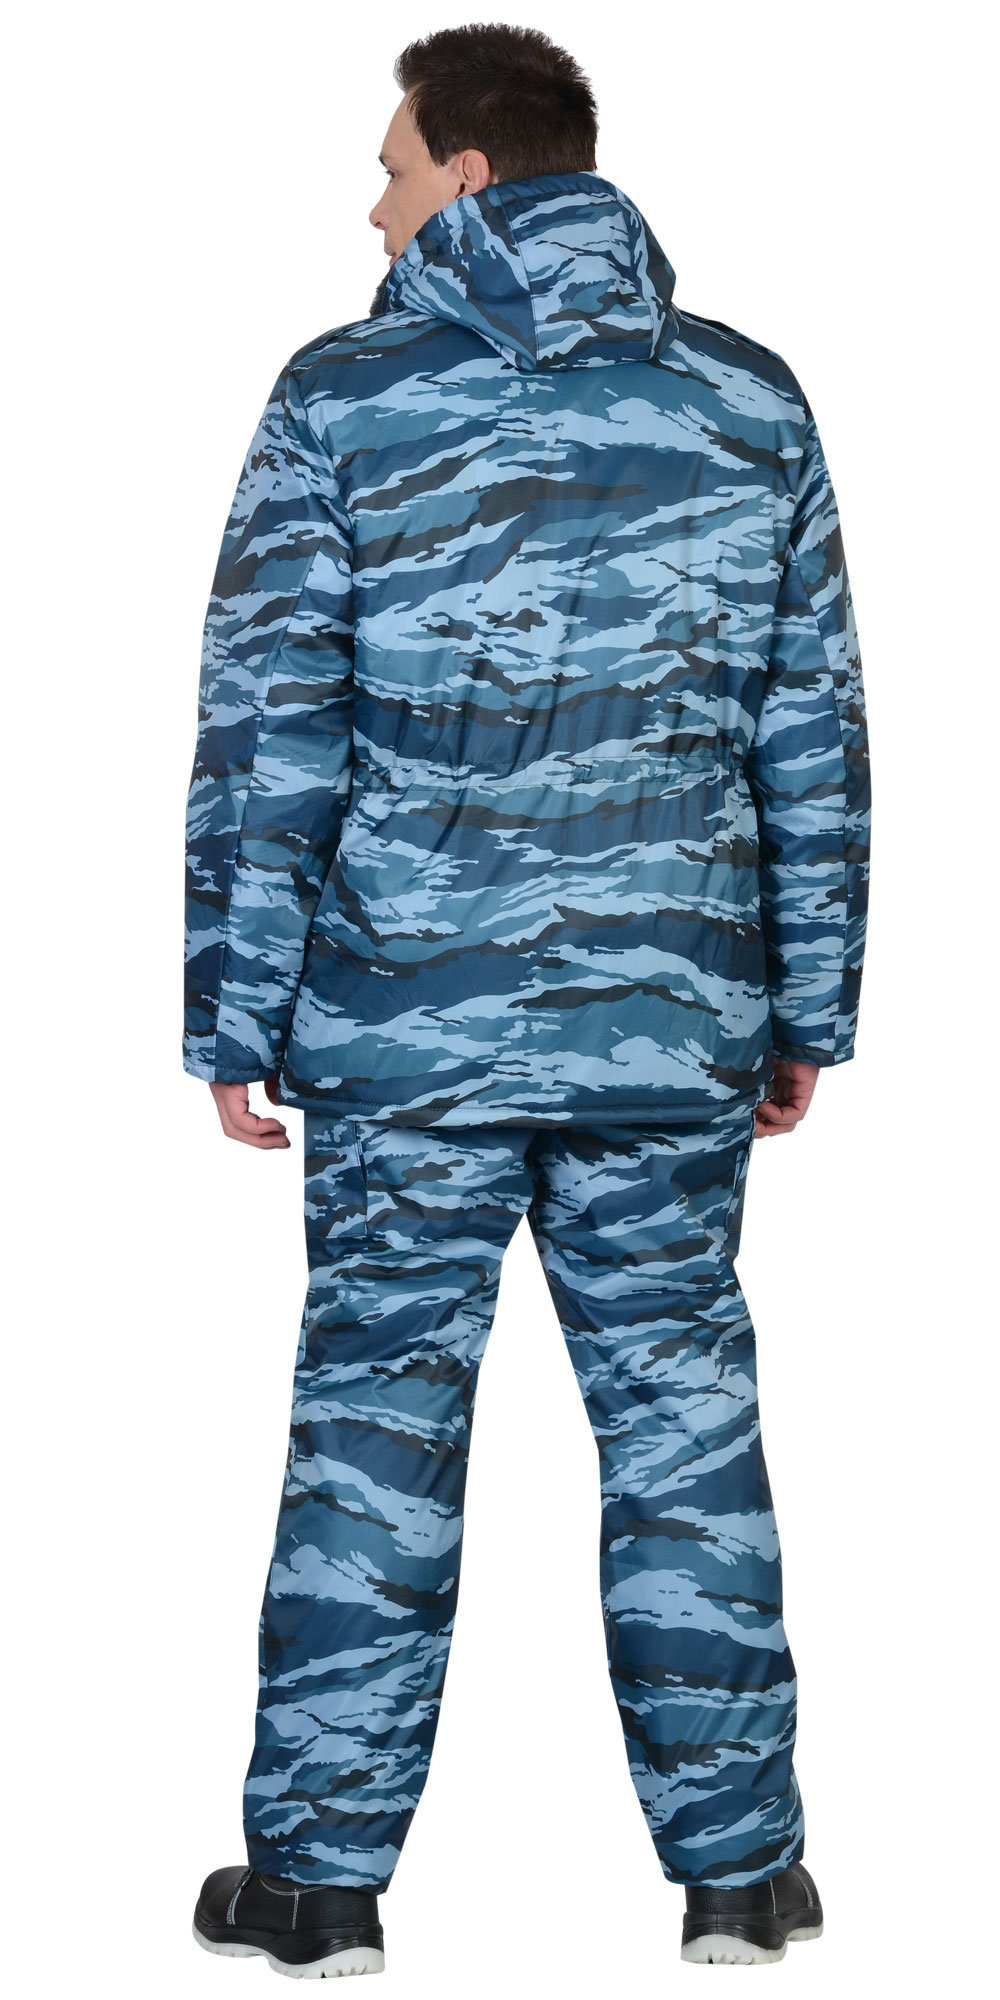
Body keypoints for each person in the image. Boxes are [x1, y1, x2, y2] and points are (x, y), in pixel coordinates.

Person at [185, 21, 870, 1979]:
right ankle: (740, 1877)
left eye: (394, 166)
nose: (374, 205)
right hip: (678, 1019)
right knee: (681, 1421)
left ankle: (319, 1888)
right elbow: (807, 726)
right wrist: (802, 1001)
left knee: (373, 1432)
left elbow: (273, 728)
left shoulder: (342, 399)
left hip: (401, 1023)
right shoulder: (745, 398)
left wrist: (238, 1009)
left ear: (471, 173)